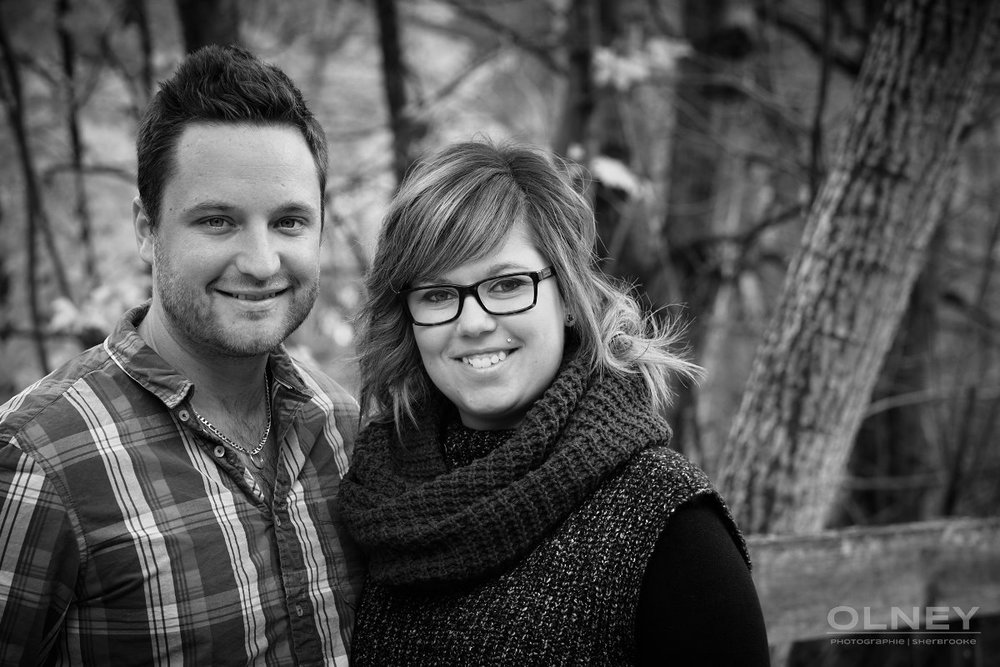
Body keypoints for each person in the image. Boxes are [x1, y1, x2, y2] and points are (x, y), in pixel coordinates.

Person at [338, 140, 770, 665]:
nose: (472, 323)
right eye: (436, 293)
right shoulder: (378, 492)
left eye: (507, 284)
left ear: (568, 296)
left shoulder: (665, 520)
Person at [0, 45, 364, 665]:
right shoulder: (38, 459)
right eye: (217, 221)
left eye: (290, 222)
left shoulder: (341, 426)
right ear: (147, 228)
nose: (260, 262)